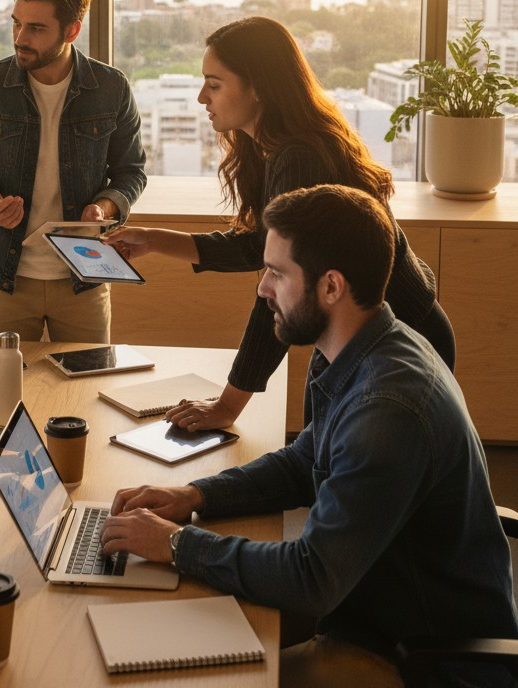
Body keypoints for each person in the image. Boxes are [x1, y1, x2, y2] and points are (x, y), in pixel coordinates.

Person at [101, 184, 517, 688]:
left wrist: (179, 544)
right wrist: (195, 494)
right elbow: (304, 461)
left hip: (413, 652)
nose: (263, 288)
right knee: (171, 629)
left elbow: (312, 577)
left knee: (202, 677)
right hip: (364, 596)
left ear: (331, 287)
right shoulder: (361, 347)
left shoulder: (387, 408)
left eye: (276, 273)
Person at [104, 15, 454, 431]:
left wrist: (228, 405)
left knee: (353, 484)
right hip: (360, 341)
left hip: (398, 343)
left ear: (258, 88)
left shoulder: (299, 157)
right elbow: (257, 247)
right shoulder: (270, 148)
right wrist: (156, 240)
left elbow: (278, 285)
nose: (201, 97)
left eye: (214, 85)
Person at [0, 0, 146, 342]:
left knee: (84, 393)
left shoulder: (111, 88)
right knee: (4, 394)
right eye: (16, 23)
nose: (20, 38)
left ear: (72, 30)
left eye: (36, 28)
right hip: (4, 279)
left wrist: (105, 207)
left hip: (83, 277)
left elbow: (131, 171)